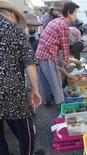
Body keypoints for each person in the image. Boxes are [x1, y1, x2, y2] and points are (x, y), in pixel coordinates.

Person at [0, 0, 44, 155]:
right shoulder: (13, 29)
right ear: (11, 14)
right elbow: (29, 62)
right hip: (11, 93)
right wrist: (35, 89)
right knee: (26, 134)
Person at [36, 2, 80, 107]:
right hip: (47, 55)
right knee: (55, 80)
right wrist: (67, 62)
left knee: (45, 80)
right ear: (69, 13)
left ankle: (47, 100)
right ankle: (62, 104)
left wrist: (64, 62)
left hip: (40, 53)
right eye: (75, 13)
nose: (76, 15)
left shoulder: (56, 20)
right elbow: (65, 47)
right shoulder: (64, 25)